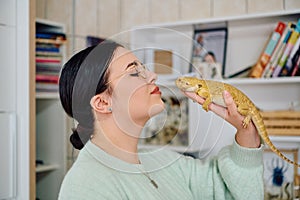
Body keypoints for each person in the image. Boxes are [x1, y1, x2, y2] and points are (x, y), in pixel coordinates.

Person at [58, 40, 264, 200]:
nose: (152, 75)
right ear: (102, 103)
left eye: (143, 67)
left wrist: (246, 131)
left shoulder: (161, 161)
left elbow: (224, 189)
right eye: (134, 71)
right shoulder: (84, 187)